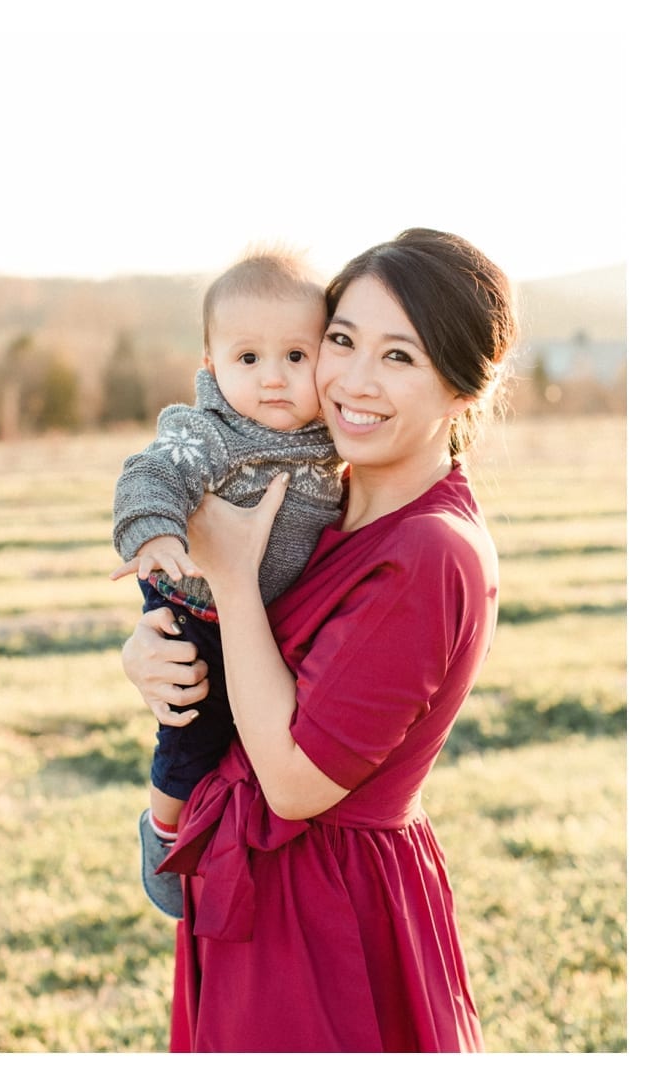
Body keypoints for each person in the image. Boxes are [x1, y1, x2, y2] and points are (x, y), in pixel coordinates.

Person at [120, 228, 514, 1051]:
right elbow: (253, 649)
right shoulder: (326, 507)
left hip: (323, 924)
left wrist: (228, 577)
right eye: (341, 340)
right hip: (252, 896)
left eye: (399, 356)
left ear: (462, 386)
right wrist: (155, 646)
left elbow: (297, 783)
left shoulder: (429, 552)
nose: (352, 380)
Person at [110, 249, 344, 919]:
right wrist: (155, 532)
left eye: (295, 357)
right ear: (211, 366)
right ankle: (161, 828)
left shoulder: (329, 439)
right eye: (249, 359)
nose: (274, 378)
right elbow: (148, 474)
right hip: (195, 602)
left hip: (259, 615)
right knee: (196, 723)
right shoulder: (210, 433)